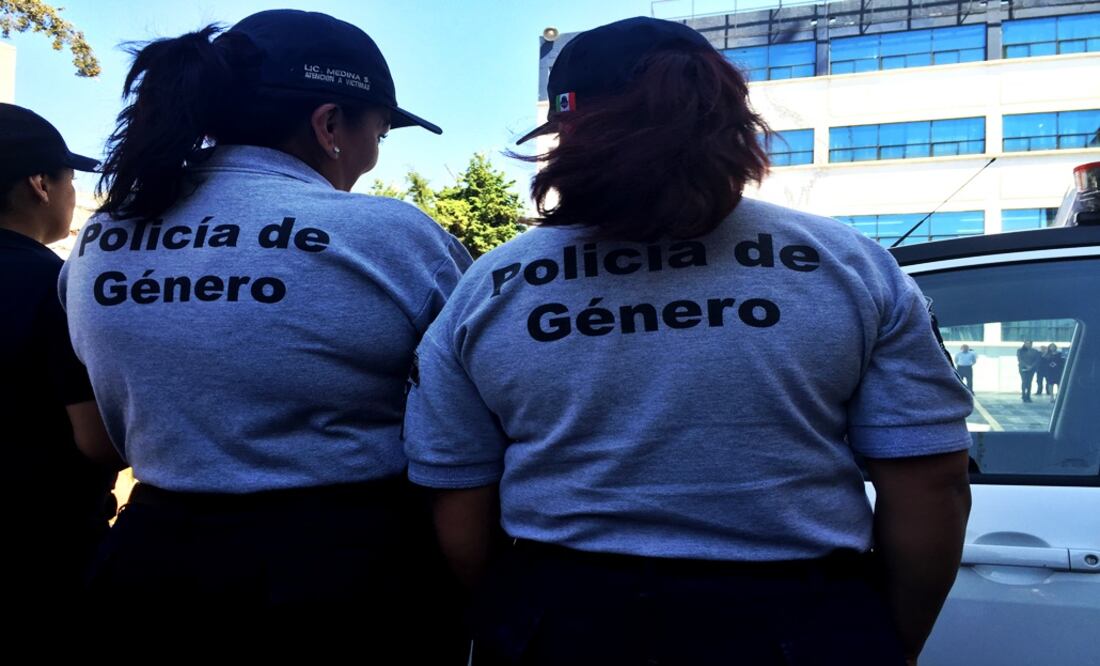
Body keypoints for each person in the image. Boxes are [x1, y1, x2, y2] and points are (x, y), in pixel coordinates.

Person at [404, 17, 973, 666]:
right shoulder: (851, 267)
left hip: (562, 617)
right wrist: (882, 643)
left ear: (569, 134)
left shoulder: (488, 288)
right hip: (802, 616)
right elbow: (933, 484)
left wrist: (520, 619)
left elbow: (457, 497)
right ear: (732, 123)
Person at [59, 9, 470, 644]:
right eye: (381, 133)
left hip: (147, 567)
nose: (374, 153)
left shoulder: (100, 239)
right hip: (343, 574)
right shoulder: (391, 235)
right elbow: (475, 405)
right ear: (329, 125)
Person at [0, 104, 120, 608]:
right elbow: (98, 442)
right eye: (70, 179)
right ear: (40, 184)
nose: (74, 194)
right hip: (41, 552)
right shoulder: (56, 287)